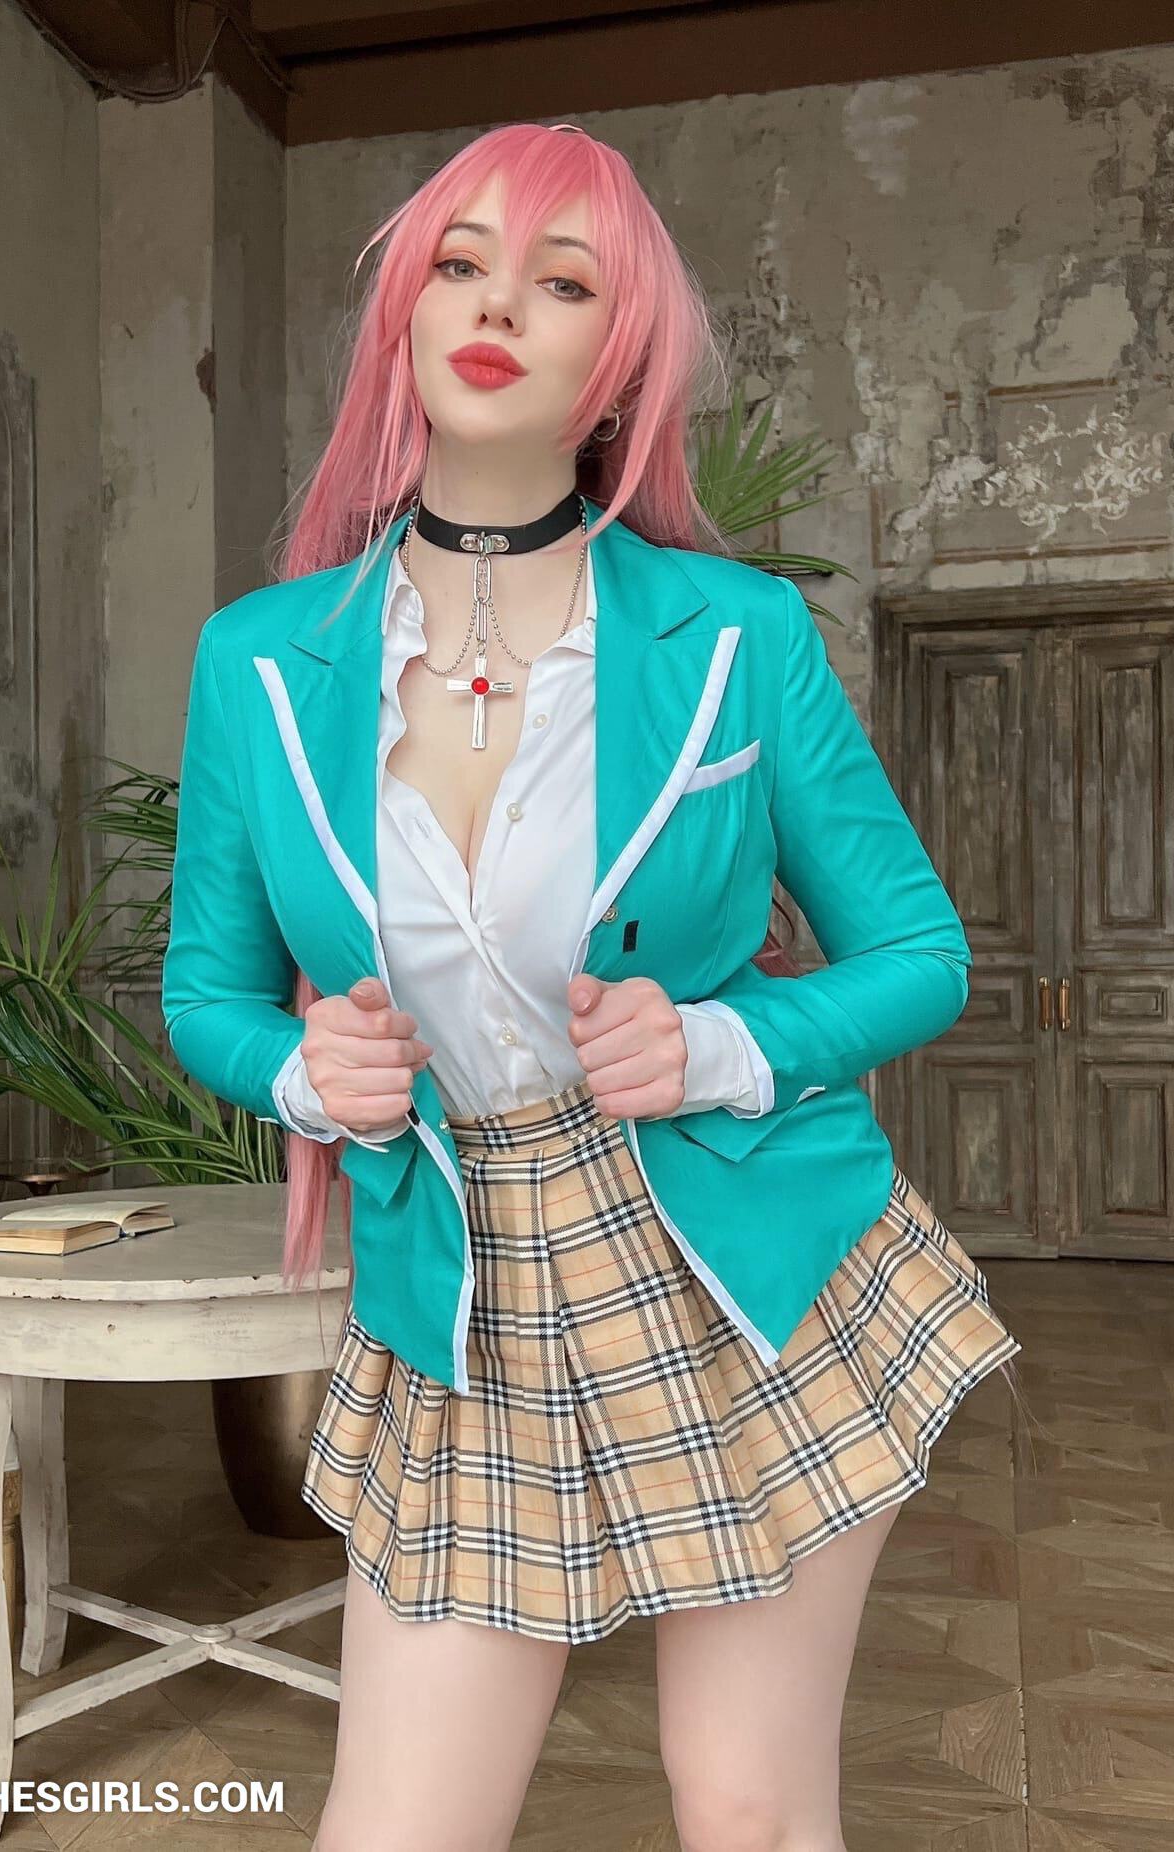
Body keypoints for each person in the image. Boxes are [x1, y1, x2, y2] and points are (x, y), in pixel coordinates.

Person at [161, 121, 1019, 1852]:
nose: (498, 306)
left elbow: (922, 954)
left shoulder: (735, 634)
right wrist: (306, 1077)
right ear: (406, 313)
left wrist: (720, 1040)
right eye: (460, 264)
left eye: (562, 283)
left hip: (747, 1264)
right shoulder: (258, 660)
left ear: (619, 357)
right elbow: (209, 994)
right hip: (459, 1288)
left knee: (748, 1809)